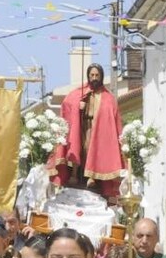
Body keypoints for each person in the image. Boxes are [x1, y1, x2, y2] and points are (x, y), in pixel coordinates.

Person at [49, 64, 125, 202]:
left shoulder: (108, 98)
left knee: (92, 150)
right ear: (88, 76)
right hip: (82, 127)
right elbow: (67, 106)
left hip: (99, 132)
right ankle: (74, 174)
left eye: (97, 75)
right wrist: (79, 107)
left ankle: (92, 177)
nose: (94, 78)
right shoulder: (78, 93)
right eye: (92, 75)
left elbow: (113, 120)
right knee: (79, 148)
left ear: (101, 77)